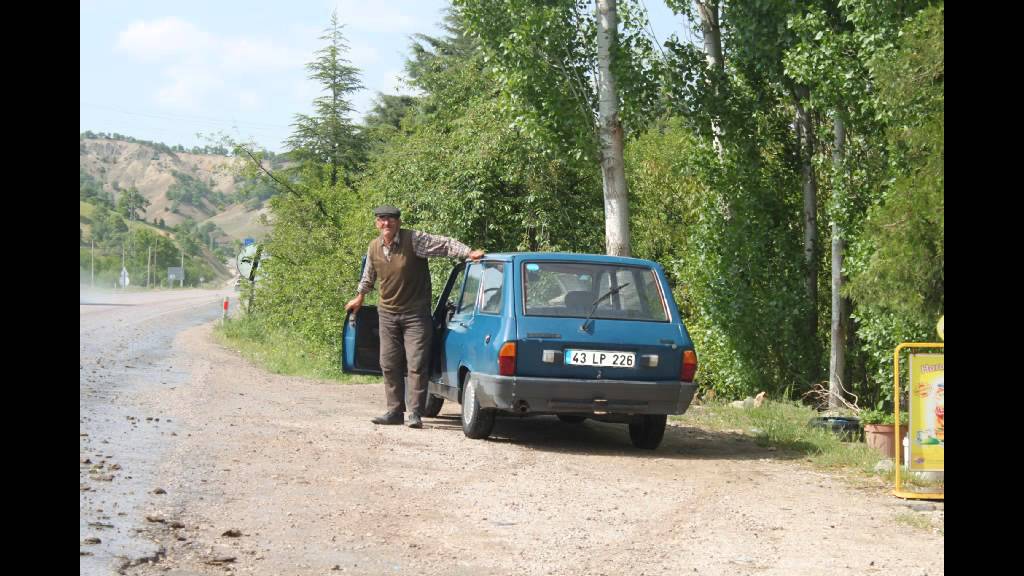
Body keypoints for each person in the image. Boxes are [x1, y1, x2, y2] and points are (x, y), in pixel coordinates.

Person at [345, 205, 484, 428]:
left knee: (416, 363)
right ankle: (394, 411)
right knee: (388, 363)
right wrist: (360, 296)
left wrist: (468, 252)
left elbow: (444, 244)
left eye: (391, 219)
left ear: (398, 222)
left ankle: (416, 413)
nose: (386, 223)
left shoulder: (414, 240)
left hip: (415, 315)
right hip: (387, 314)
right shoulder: (374, 247)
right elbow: (368, 276)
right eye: (382, 219)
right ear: (377, 223)